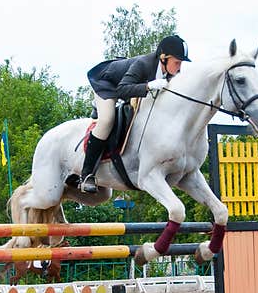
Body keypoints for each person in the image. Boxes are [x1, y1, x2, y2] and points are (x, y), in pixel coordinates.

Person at [81, 34, 191, 193]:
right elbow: (122, 89)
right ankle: (87, 174)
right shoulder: (143, 64)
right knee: (107, 120)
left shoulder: (169, 72)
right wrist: (148, 86)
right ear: (163, 58)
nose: (179, 68)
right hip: (107, 83)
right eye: (177, 62)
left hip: (127, 87)